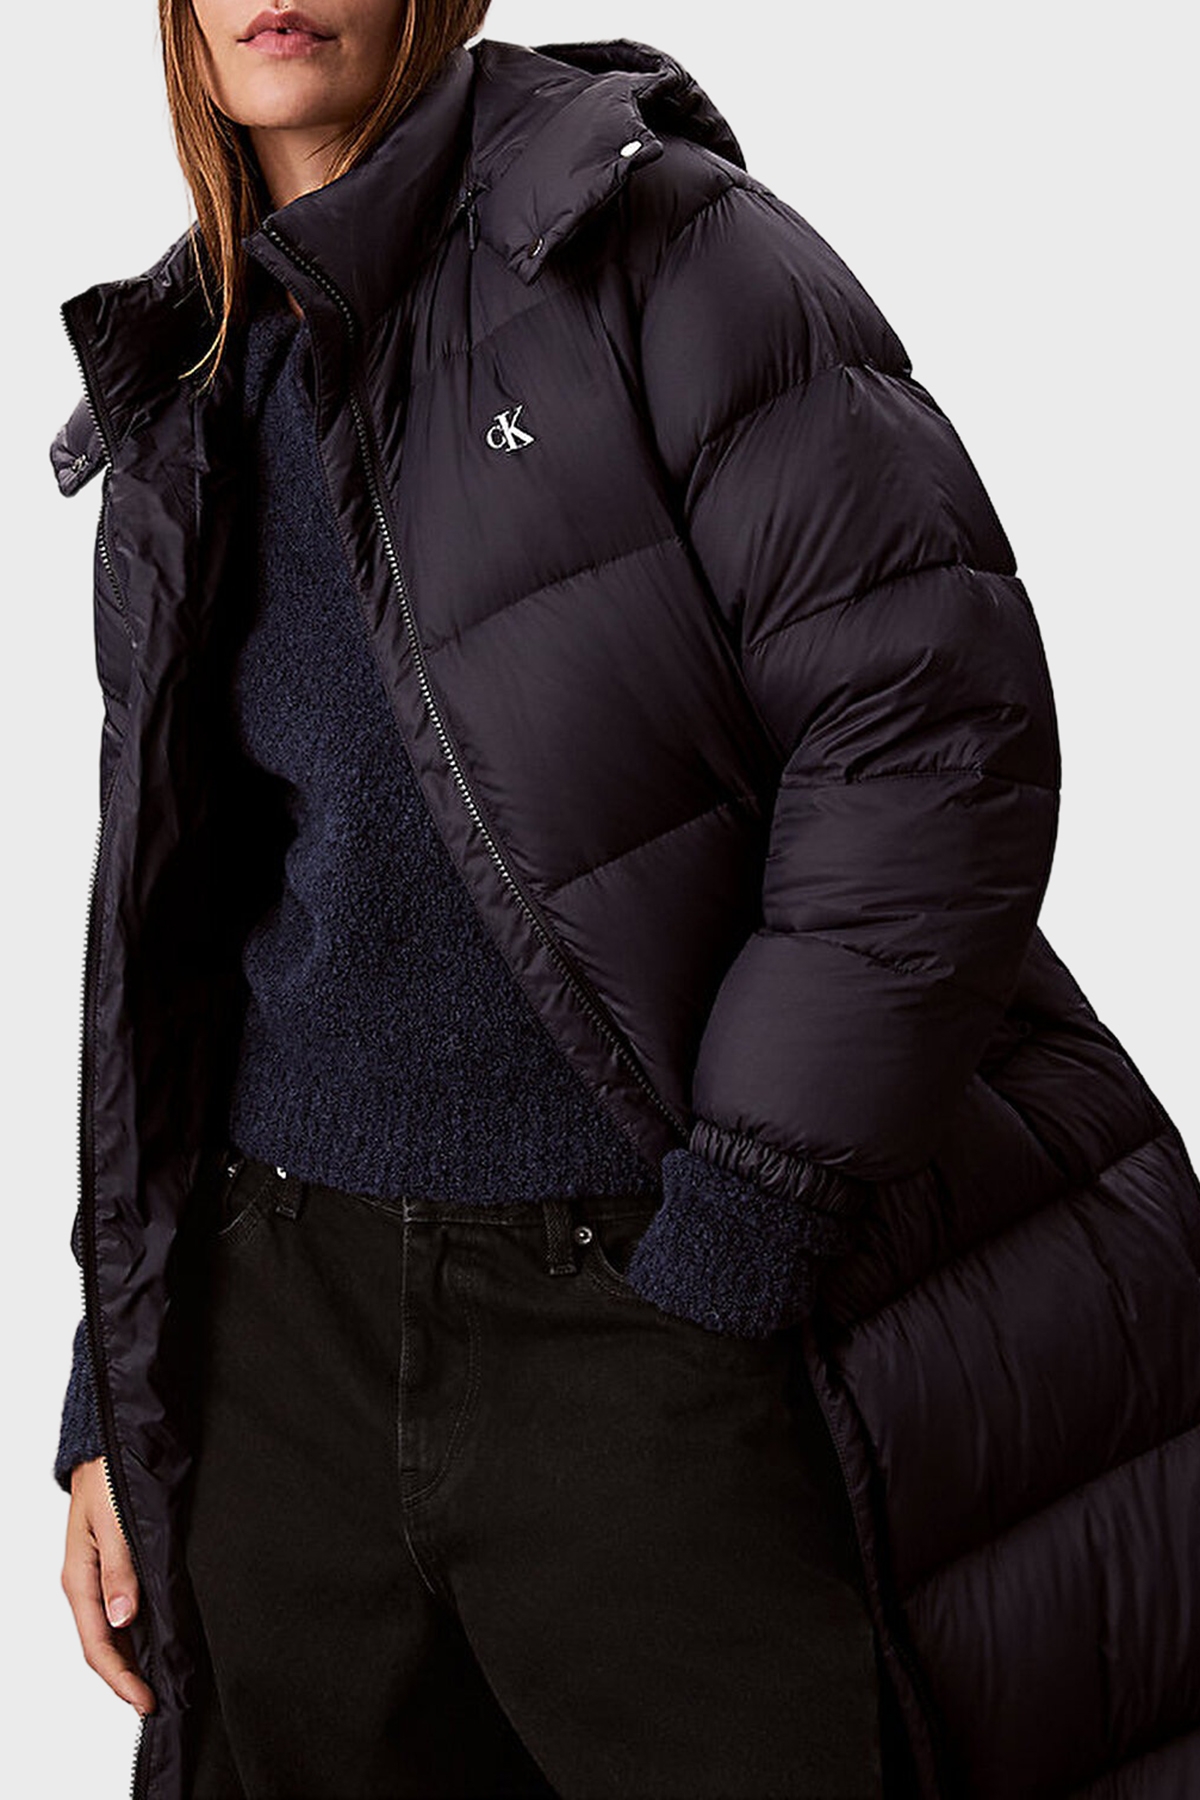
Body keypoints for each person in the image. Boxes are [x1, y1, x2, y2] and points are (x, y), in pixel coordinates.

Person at [50, 4, 1200, 1799]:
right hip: (274, 1333)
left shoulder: (657, 248)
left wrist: (751, 1213)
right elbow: (174, 934)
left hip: (641, 1306)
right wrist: (112, 1383)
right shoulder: (191, 371)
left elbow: (929, 731)